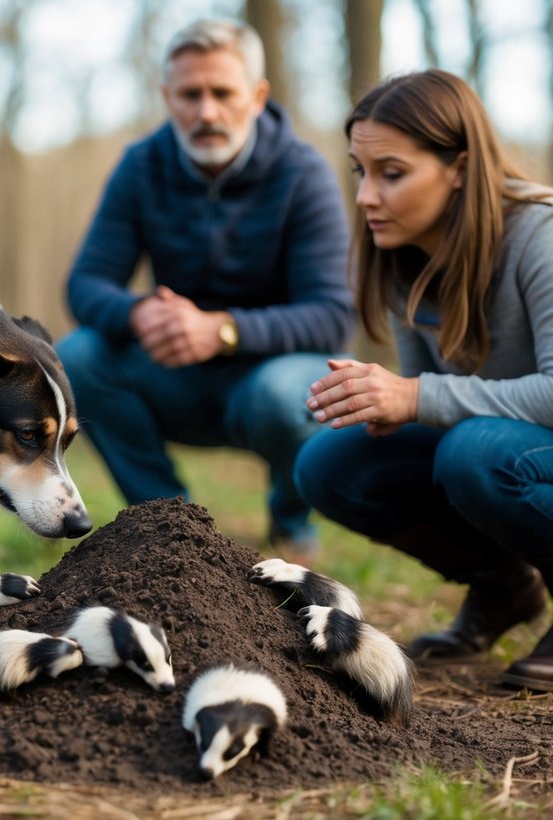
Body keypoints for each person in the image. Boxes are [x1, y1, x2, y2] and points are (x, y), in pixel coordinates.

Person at [293, 69, 553, 692]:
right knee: (329, 464)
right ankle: (505, 587)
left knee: (474, 451)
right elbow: (432, 396)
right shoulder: (405, 253)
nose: (366, 197)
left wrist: (415, 395)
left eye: (392, 173)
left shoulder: (550, 231)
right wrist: (388, 404)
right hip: (512, 452)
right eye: (360, 171)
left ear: (458, 167)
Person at [56, 19, 353, 561]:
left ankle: (290, 521)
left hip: (273, 378)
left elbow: (332, 315)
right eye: (190, 95)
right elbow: (84, 285)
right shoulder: (141, 165)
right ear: (168, 96)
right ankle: (176, 529)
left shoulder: (302, 172)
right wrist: (140, 313)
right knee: (77, 354)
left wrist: (223, 329)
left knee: (289, 395)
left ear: (257, 97)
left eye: (223, 93)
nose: (206, 112)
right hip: (176, 375)